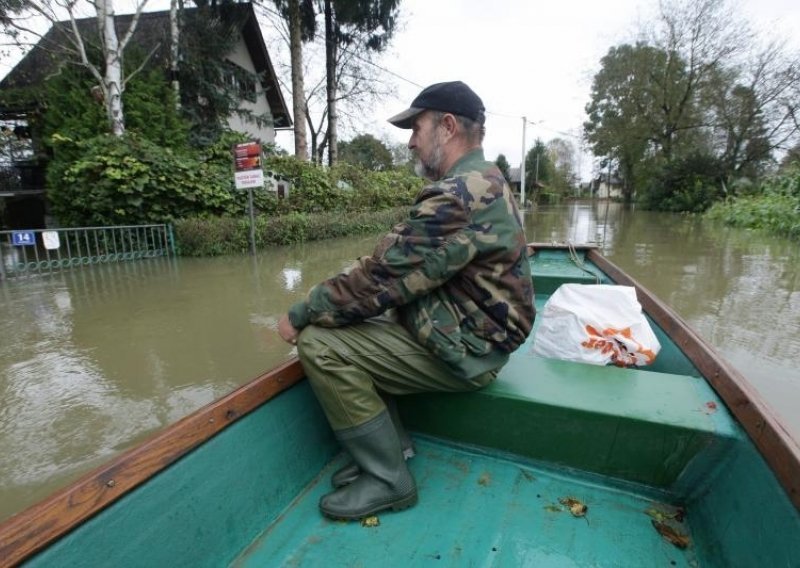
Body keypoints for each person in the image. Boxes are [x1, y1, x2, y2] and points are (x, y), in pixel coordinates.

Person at [277, 80, 535, 520]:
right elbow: (395, 265)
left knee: (319, 343)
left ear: (447, 126)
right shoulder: (485, 179)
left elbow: (381, 278)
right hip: (477, 335)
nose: (412, 143)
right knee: (353, 320)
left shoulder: (459, 194)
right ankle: (394, 447)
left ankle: (388, 479)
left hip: (472, 351)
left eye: (416, 129)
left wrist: (299, 314)